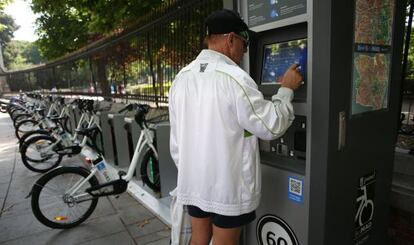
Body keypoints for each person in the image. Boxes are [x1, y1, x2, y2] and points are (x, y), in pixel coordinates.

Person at [168, 9, 303, 245]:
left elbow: (177, 142)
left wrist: (194, 172)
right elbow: (271, 126)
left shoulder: (181, 78)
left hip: (193, 182)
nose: (246, 51)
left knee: (198, 240)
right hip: (228, 188)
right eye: (245, 43)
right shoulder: (234, 78)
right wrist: (286, 89)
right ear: (231, 38)